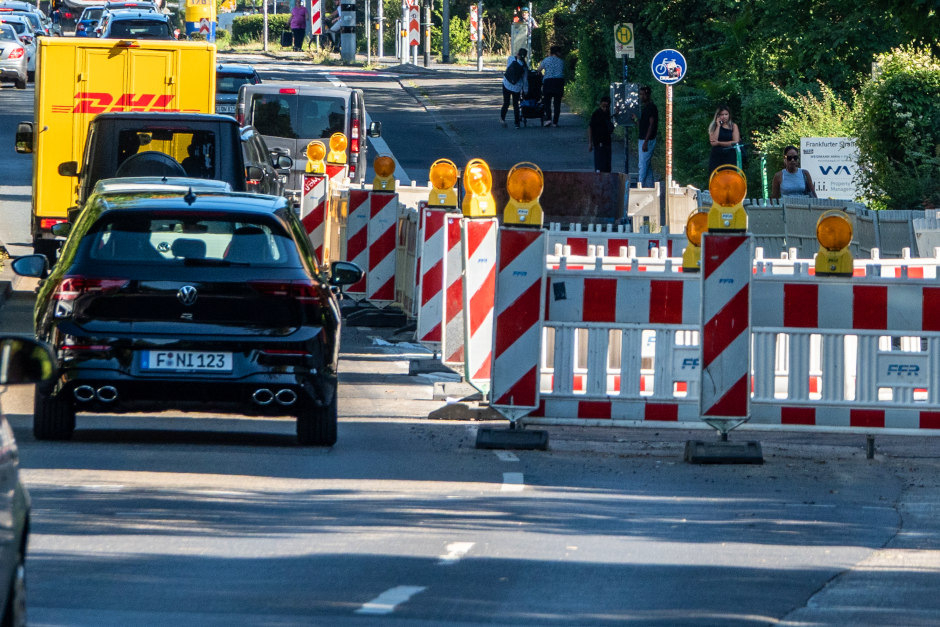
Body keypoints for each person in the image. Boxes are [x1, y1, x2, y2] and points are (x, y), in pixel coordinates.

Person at [634, 85, 658, 187]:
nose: (641, 96)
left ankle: (640, 187)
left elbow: (651, 125)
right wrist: (636, 119)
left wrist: (646, 141)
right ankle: (650, 187)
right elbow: (642, 125)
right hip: (643, 139)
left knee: (643, 165)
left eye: (643, 94)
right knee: (647, 167)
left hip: (647, 140)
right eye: (640, 94)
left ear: (648, 95)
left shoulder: (651, 108)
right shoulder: (645, 108)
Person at [707, 105, 741, 176]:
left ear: (729, 115)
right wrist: (718, 126)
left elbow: (735, 141)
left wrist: (719, 143)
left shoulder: (733, 126)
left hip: (730, 155)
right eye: (722, 115)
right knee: (716, 176)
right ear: (718, 116)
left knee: (730, 176)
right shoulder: (713, 127)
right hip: (717, 156)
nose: (724, 117)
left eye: (726, 114)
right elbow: (713, 142)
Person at [500, 48, 529, 129]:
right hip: (517, 87)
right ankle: (517, 123)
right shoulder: (524, 66)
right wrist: (525, 90)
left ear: (517, 54)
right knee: (516, 105)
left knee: (506, 103)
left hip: (507, 83)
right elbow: (525, 80)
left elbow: (508, 69)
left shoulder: (511, 59)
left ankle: (502, 119)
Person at [537, 45, 564, 127]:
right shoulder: (561, 61)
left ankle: (548, 119)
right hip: (558, 82)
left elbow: (539, 69)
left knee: (547, 102)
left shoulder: (546, 60)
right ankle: (555, 122)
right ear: (557, 52)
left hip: (548, 82)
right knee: (557, 104)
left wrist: (542, 75)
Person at [588, 95, 614, 173]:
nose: (605, 109)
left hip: (607, 142)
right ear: (600, 104)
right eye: (603, 106)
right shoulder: (596, 113)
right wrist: (590, 143)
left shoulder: (608, 113)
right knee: (599, 164)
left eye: (607, 107)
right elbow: (590, 127)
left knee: (607, 165)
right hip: (598, 142)